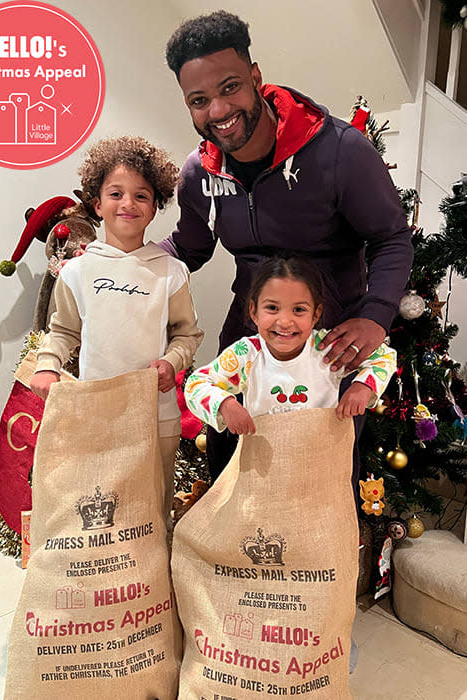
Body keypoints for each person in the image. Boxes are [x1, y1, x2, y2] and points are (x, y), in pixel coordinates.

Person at [160, 10, 413, 482]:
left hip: (331, 339)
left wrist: (376, 316)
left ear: (255, 77)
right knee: (231, 463)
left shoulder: (341, 150)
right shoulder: (199, 174)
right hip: (248, 335)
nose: (217, 111)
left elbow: (391, 237)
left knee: (323, 475)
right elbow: (187, 249)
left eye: (229, 87)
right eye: (199, 99)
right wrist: (121, 259)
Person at [31, 135, 204, 515]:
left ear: (156, 206)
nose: (128, 204)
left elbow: (186, 334)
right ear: (97, 203)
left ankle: (153, 570)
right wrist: (47, 365)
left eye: (141, 196)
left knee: (152, 507)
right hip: (96, 412)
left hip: (156, 415)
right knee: (100, 500)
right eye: (116, 194)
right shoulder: (77, 272)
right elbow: (62, 330)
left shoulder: (170, 272)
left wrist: (172, 362)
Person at [184, 256, 397, 435]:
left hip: (321, 467)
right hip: (263, 469)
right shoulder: (246, 355)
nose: (285, 321)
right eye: (272, 308)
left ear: (316, 314)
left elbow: (383, 357)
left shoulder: (327, 348)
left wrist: (363, 386)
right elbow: (196, 384)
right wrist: (225, 404)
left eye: (298, 310)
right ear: (253, 311)